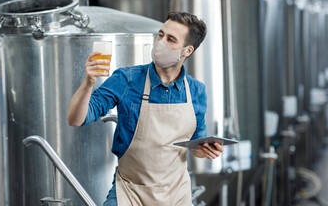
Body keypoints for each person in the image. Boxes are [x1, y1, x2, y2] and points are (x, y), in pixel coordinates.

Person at [68, 11, 223, 205]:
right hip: (129, 192)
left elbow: (196, 146)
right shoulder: (127, 79)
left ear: (187, 51)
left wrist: (206, 150)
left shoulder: (196, 91)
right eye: (161, 35)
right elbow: (76, 119)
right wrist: (88, 83)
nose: (160, 43)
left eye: (171, 40)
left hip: (177, 195)